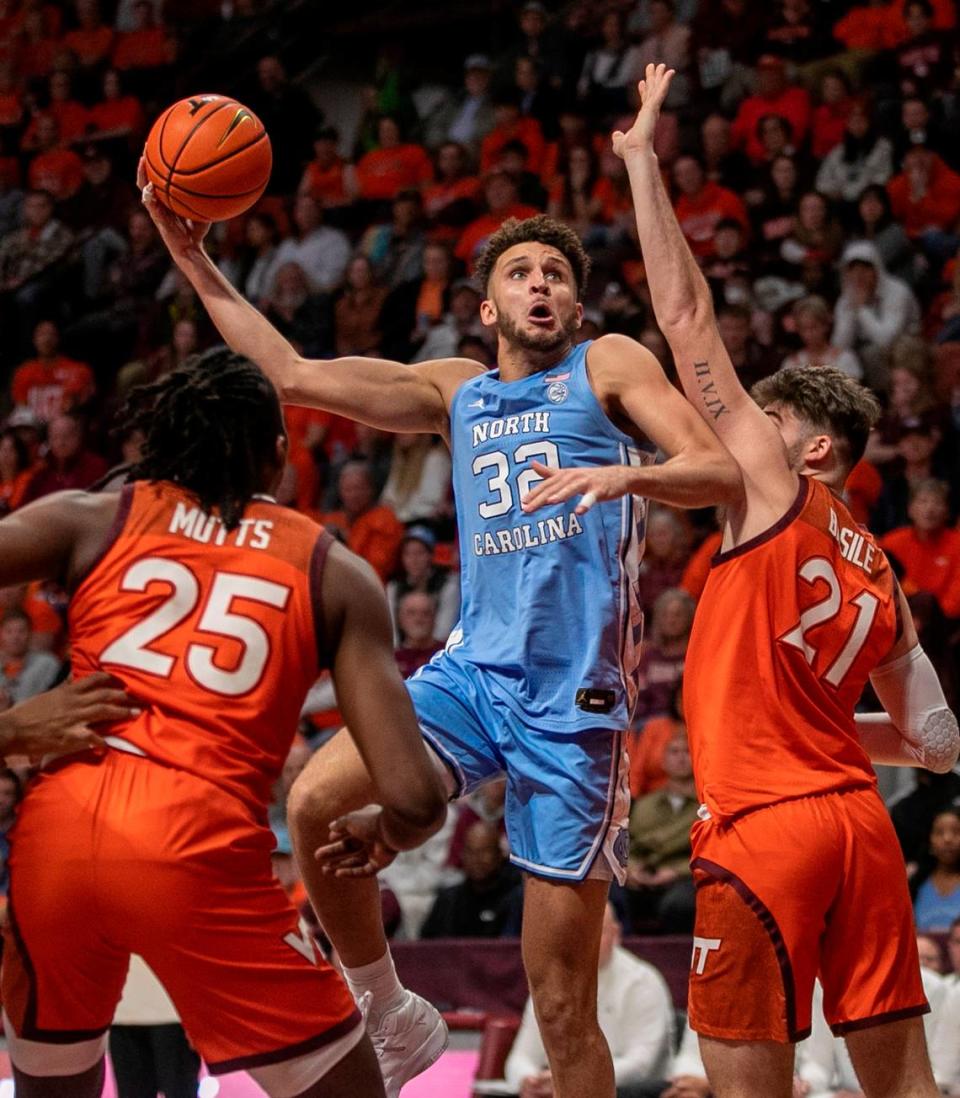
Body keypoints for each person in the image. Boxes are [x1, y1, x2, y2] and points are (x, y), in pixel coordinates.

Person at [141, 156, 740, 1098]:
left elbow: (718, 471)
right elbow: (293, 373)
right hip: (472, 677)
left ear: (576, 311)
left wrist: (625, 475)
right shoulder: (457, 391)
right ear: (489, 310)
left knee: (560, 1001)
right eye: (521, 273)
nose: (541, 284)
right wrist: (197, 260)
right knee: (312, 805)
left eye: (557, 276)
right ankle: (390, 1010)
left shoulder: (608, 363)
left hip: (573, 706)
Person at [526, 64, 959, 1098]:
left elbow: (684, 314)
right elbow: (939, 745)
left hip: (763, 833)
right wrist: (820, 732)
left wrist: (639, 163)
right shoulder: (884, 571)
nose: (742, 432)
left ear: (809, 451)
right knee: (903, 1083)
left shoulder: (772, 490)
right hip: (859, 830)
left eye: (766, 422)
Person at [0, 349, 448, 1098]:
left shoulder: (90, 516)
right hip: (194, 849)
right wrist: (390, 833)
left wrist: (10, 732)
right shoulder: (333, 570)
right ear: (279, 455)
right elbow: (415, 798)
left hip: (54, 846)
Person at [504, 902, 674, 1096]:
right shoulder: (550, 983)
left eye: (595, 932)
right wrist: (529, 1080)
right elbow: (521, 1056)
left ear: (616, 934)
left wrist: (572, 1080)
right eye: (575, 934)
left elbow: (642, 1064)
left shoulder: (642, 982)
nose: (584, 943)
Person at [420, 819, 523, 939]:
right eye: (470, 852)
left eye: (484, 852)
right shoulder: (447, 900)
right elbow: (426, 947)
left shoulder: (515, 900)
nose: (476, 859)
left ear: (499, 855)